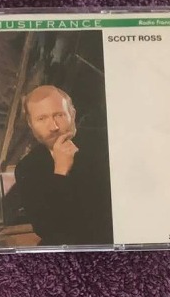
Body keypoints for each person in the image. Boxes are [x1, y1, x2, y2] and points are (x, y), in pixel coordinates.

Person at [14, 85, 113, 246]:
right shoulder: (27, 167)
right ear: (31, 124)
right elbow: (48, 230)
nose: (53, 127)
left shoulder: (106, 143)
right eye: (42, 119)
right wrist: (61, 171)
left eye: (59, 115)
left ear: (72, 114)